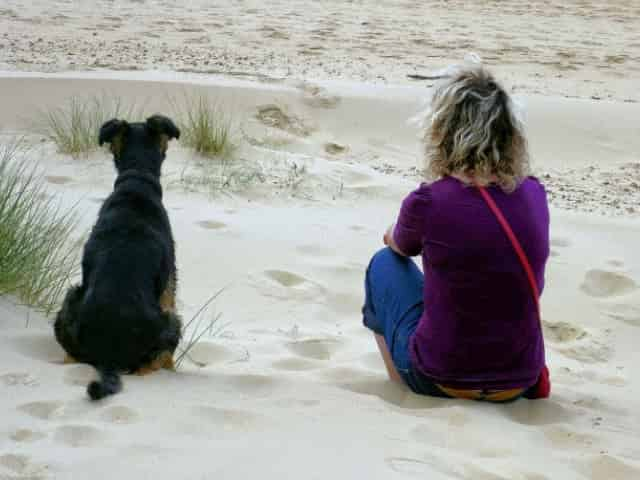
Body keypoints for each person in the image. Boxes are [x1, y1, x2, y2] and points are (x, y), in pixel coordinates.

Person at [362, 65, 550, 402]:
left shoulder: (429, 200)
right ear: (510, 134)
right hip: (518, 380)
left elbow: (400, 246)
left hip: (440, 377)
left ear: (444, 132)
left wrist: (395, 233)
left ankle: (403, 387)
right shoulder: (534, 195)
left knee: (384, 264)